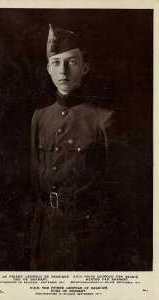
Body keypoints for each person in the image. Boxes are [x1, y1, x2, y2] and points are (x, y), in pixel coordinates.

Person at [29, 24, 138, 271]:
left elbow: (121, 188)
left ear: (85, 68)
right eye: (56, 63)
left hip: (87, 236)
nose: (63, 70)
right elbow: (35, 175)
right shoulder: (40, 117)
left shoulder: (103, 120)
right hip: (44, 231)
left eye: (72, 62)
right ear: (48, 69)